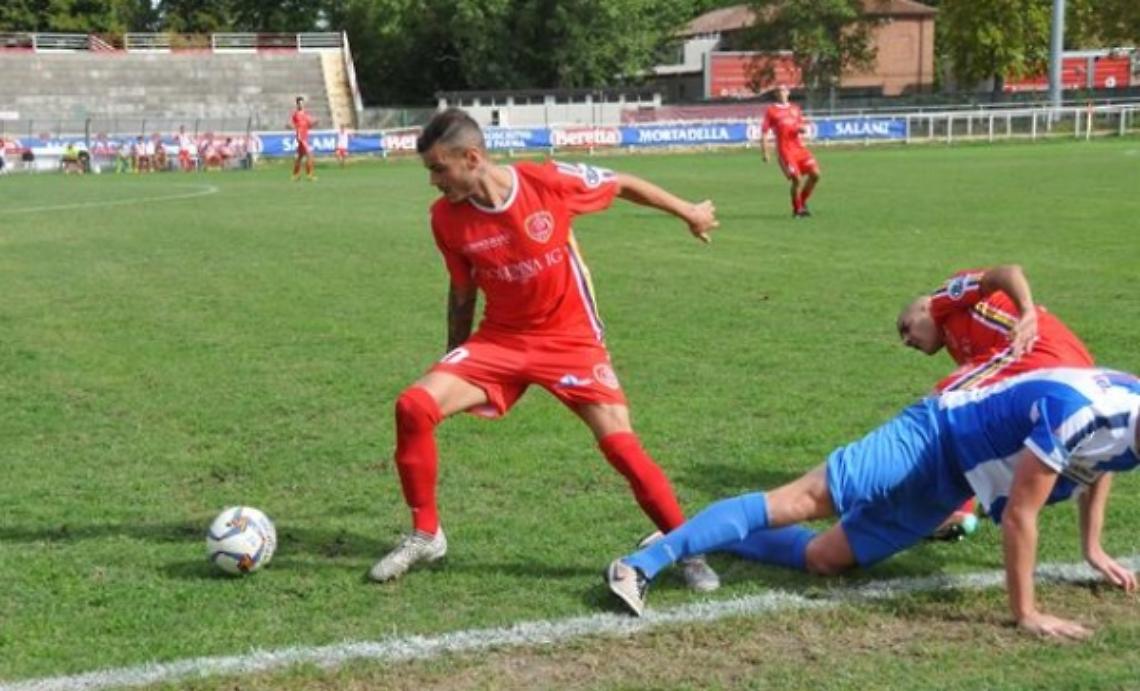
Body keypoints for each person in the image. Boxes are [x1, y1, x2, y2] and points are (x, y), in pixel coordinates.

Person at [370, 107, 721, 592]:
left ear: (472, 158)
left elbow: (619, 182)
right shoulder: (445, 219)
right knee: (414, 405)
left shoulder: (547, 182)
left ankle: (686, 549)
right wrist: (454, 356)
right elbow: (461, 290)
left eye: (438, 169)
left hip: (570, 340)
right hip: (500, 340)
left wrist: (689, 212)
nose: (433, 181)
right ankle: (426, 534)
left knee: (621, 446)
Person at [606, 367, 1140, 639]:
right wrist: (1027, 613)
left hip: (959, 478)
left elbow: (1101, 464)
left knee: (824, 559)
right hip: (934, 432)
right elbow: (1021, 514)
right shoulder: (1085, 412)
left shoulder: (1128, 426)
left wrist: (1093, 548)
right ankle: (640, 564)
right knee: (802, 500)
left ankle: (688, 538)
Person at [898, 265, 1097, 539]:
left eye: (905, 327)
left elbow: (1008, 273)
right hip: (1076, 371)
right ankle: (961, 508)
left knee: (936, 408)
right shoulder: (966, 343)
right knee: (974, 422)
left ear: (924, 309)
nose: (907, 339)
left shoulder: (943, 301)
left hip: (1037, 353)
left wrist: (1026, 311)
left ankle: (886, 493)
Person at [760, 84, 821, 218]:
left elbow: (800, 125)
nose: (781, 92)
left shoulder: (795, 108)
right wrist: (765, 152)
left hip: (799, 148)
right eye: (779, 90)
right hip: (785, 151)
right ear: (776, 94)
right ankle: (797, 209)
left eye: (784, 90)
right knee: (797, 180)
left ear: (788, 92)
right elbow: (764, 132)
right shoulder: (771, 111)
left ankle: (803, 201)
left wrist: (802, 129)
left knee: (816, 174)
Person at [290, 96, 317, 181]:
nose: (301, 105)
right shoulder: (295, 114)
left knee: (300, 157)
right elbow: (292, 124)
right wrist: (292, 127)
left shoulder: (306, 114)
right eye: (299, 103)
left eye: (302, 103)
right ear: (297, 104)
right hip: (301, 137)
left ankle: (295, 176)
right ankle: (309, 175)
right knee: (309, 155)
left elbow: (309, 125)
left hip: (305, 136)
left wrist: (315, 123)